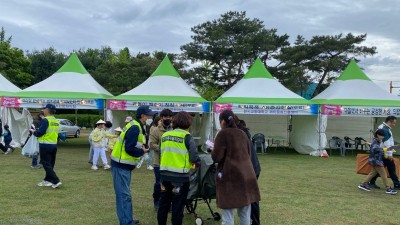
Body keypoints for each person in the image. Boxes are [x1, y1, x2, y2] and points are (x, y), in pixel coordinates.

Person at [211, 109, 261, 225]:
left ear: (222, 121)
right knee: (245, 215)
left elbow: (216, 157)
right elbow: (248, 154)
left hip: (230, 179)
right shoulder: (242, 133)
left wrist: (212, 151)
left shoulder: (222, 134)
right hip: (247, 176)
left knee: (228, 215)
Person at [111, 105, 155, 225]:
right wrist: (143, 151)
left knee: (125, 194)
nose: (151, 117)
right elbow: (129, 148)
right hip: (121, 165)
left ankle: (127, 219)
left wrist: (142, 147)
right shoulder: (135, 127)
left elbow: (132, 144)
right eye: (149, 115)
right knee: (123, 196)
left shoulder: (137, 126)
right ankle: (126, 222)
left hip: (123, 165)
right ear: (143, 116)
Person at [157, 111, 200, 225]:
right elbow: (194, 157)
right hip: (180, 179)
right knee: (177, 207)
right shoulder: (187, 137)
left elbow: (161, 153)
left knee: (163, 205)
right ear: (188, 123)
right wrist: (197, 165)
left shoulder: (165, 135)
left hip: (164, 176)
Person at [234, 116, 261, 225]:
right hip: (253, 168)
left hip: (250, 169)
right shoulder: (243, 132)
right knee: (252, 198)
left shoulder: (239, 135)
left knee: (250, 199)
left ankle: (254, 222)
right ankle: (254, 221)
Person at [358, 129, 397, 195]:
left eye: (383, 136)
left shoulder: (377, 140)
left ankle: (363, 184)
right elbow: (375, 149)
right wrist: (386, 149)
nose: (383, 137)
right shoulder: (375, 142)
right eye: (381, 136)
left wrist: (386, 156)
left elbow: (378, 151)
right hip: (377, 161)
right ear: (378, 135)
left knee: (372, 173)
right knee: (384, 175)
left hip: (375, 160)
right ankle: (388, 188)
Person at [31, 104, 62, 188]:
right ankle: (48, 180)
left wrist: (33, 131)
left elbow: (40, 133)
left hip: (45, 144)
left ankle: (56, 180)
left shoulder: (45, 120)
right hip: (53, 144)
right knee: (50, 164)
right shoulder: (56, 120)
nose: (43, 110)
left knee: (45, 163)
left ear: (48, 110)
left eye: (44, 109)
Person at [149, 109, 173, 210]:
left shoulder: (174, 129)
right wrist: (164, 148)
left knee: (170, 183)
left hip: (171, 162)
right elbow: (151, 144)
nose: (168, 119)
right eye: (166, 117)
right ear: (162, 118)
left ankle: (168, 203)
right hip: (158, 162)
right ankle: (157, 201)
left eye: (170, 117)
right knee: (159, 182)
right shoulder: (155, 130)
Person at [369, 116, 400, 189]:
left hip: (381, 152)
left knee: (378, 170)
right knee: (388, 168)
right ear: (389, 122)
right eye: (394, 123)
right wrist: (389, 154)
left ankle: (371, 182)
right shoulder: (385, 129)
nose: (394, 125)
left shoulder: (382, 127)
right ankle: (396, 184)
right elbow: (387, 143)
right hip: (384, 153)